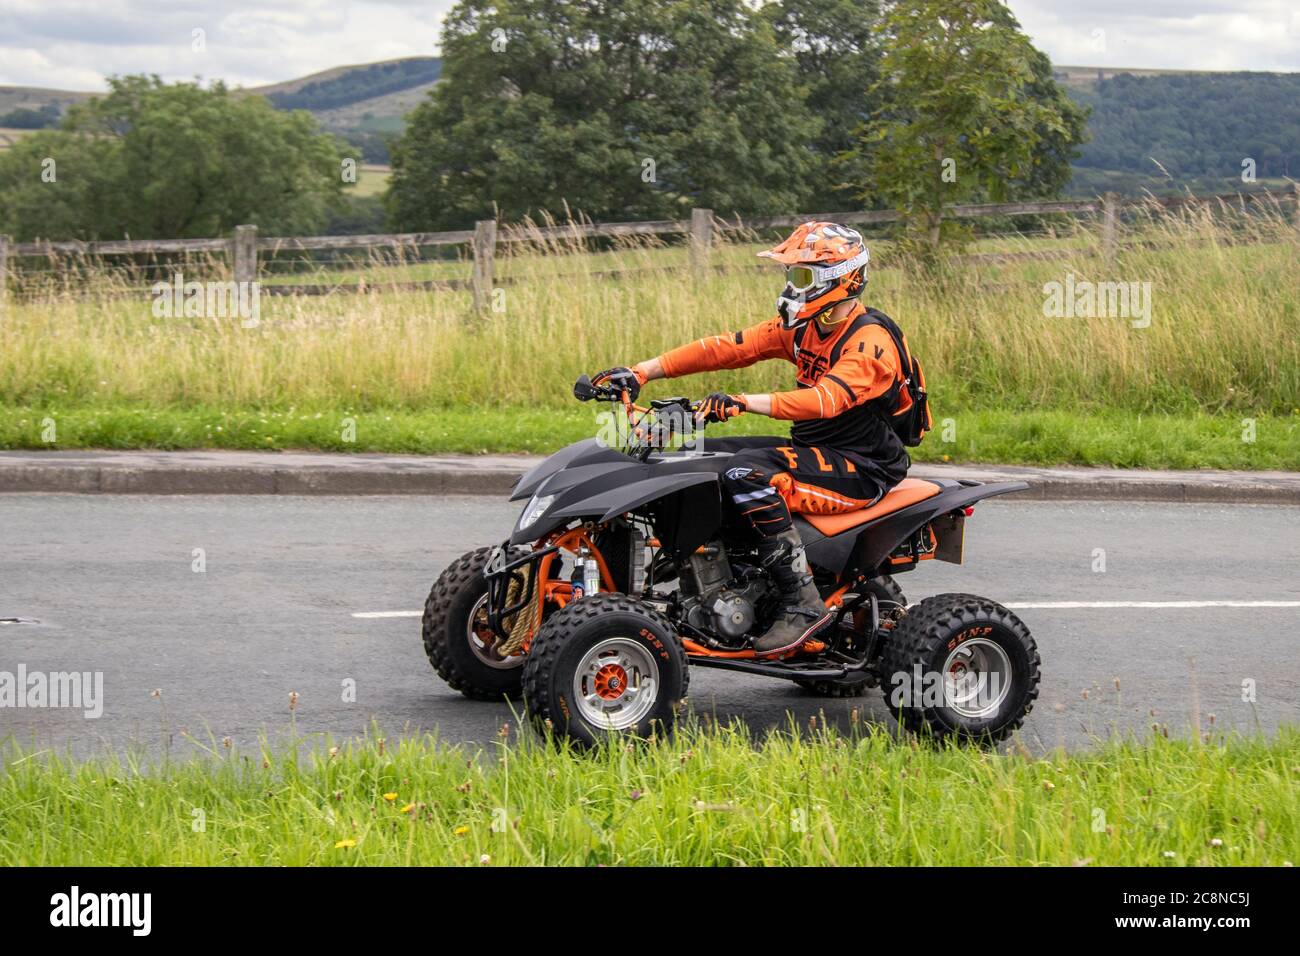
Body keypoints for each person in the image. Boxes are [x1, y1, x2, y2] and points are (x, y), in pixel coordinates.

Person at [590, 221, 919, 656]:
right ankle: (710, 566)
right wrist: (642, 371)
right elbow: (726, 347)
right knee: (695, 458)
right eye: (791, 275)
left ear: (841, 278)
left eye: (802, 276)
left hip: (863, 466)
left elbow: (825, 400)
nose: (791, 286)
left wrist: (743, 402)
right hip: (817, 449)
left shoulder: (871, 341)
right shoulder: (804, 327)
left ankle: (801, 600)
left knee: (747, 474)